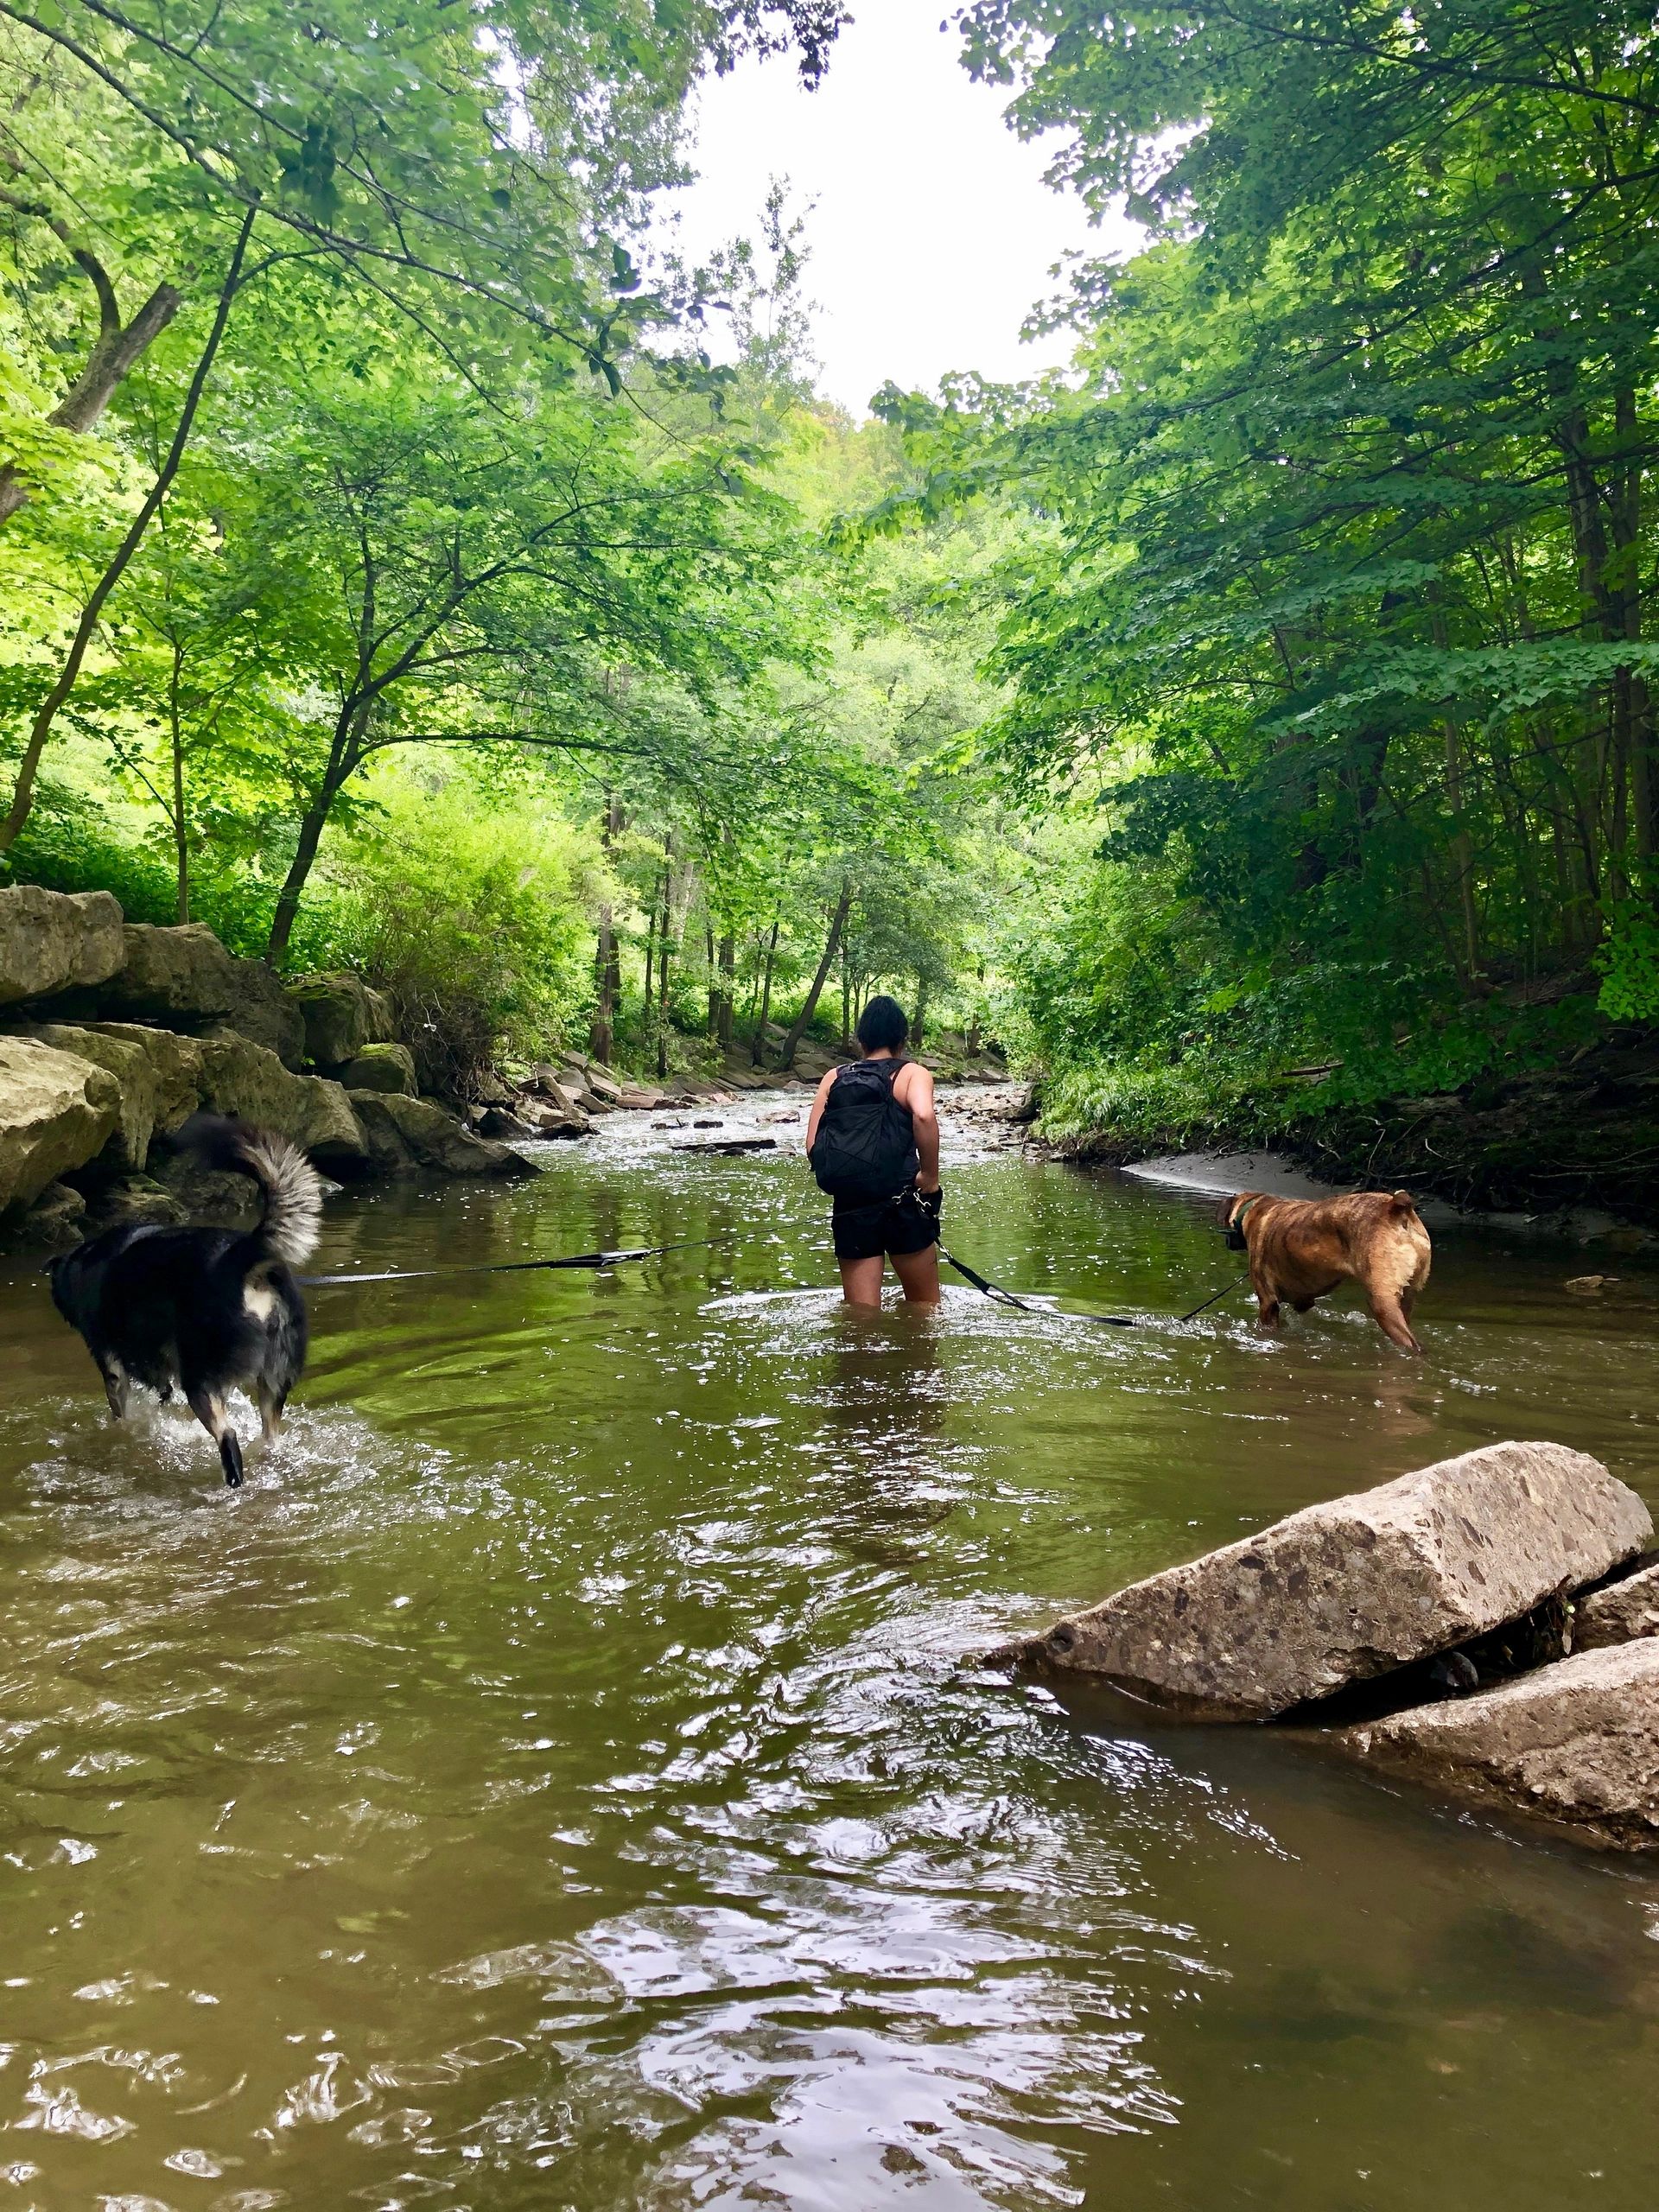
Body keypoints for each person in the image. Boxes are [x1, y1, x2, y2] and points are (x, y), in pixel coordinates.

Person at [805, 995, 941, 1308]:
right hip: (904, 1202)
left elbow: (812, 1146)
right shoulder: (911, 1074)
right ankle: (917, 1358)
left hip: (852, 1207)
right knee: (925, 1309)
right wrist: (929, 1177)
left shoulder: (834, 1077)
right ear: (901, 1039)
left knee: (861, 1315)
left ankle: (863, 1358)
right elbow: (923, 1116)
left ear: (861, 1038)